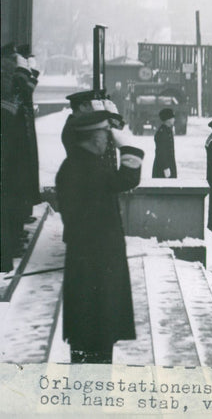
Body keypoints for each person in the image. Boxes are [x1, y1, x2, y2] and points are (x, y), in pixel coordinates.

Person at [55, 111, 145, 363]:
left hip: (89, 265)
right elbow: (126, 179)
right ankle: (91, 397)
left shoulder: (78, 164)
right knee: (96, 338)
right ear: (95, 138)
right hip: (95, 267)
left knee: (90, 338)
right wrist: (128, 145)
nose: (107, 141)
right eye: (105, 135)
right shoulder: (87, 168)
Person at [152, 108, 177, 178]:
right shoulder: (162, 133)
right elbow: (161, 151)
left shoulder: (168, 130)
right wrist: (165, 167)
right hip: (162, 167)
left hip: (169, 164)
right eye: (172, 118)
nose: (174, 120)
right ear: (168, 119)